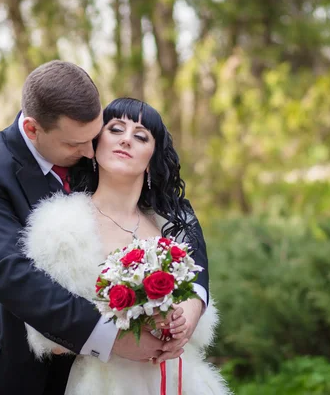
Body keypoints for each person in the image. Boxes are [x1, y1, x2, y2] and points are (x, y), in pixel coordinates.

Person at [0, 61, 209, 395]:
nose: (90, 151)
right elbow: (9, 274)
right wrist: (115, 338)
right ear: (33, 130)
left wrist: (192, 304)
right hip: (23, 367)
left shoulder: (99, 153)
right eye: (77, 144)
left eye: (96, 135)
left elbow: (184, 229)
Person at [20, 97, 230, 394]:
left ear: (152, 160)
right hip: (104, 383)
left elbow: (198, 294)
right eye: (116, 129)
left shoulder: (170, 224)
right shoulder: (59, 224)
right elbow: (47, 334)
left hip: (180, 379)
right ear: (94, 145)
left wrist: (180, 321)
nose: (127, 140)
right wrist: (126, 327)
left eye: (141, 136)